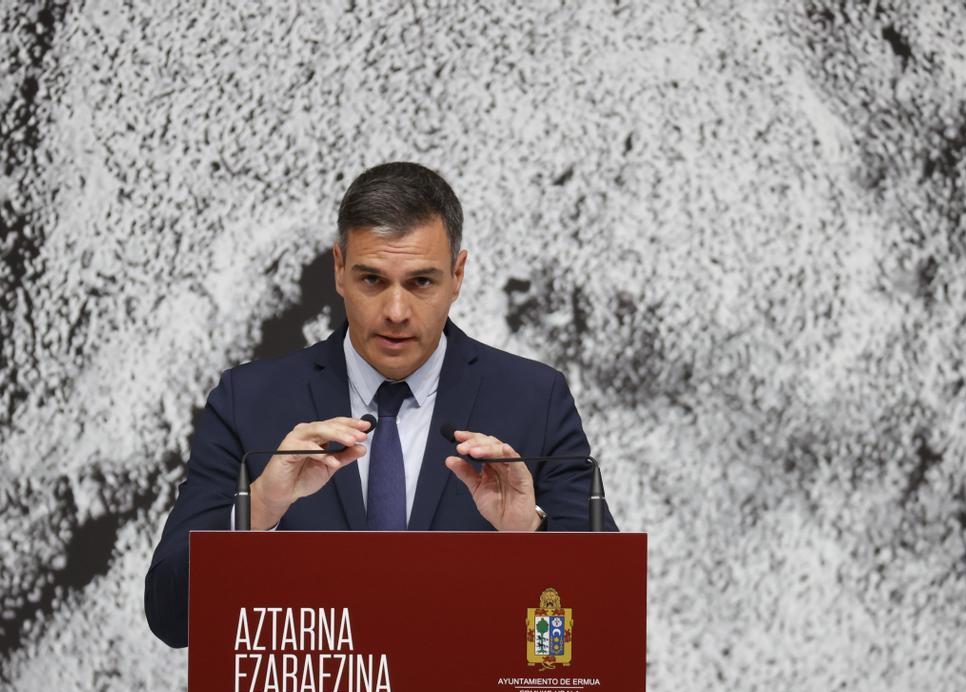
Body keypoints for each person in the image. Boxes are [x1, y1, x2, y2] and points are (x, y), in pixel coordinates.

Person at [145, 162, 617, 647]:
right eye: (372, 280)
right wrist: (260, 509)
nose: (395, 312)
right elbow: (170, 617)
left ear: (457, 276)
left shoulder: (534, 397)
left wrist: (531, 535)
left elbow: (606, 623)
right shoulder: (246, 401)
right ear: (339, 270)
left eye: (421, 282)